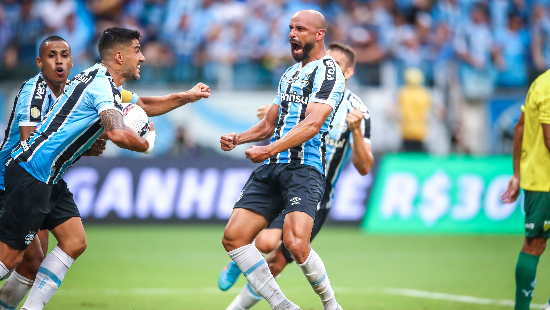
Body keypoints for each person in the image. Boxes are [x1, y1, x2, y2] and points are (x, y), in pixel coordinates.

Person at [0, 32, 211, 309]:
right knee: (11, 258)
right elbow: (118, 134)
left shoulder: (103, 82)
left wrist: (188, 96)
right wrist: (147, 144)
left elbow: (142, 105)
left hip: (50, 176)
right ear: (120, 57)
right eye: (137, 50)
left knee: (74, 241)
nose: (143, 57)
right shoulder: (100, 86)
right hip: (32, 173)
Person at [219, 42, 374, 310]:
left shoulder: (358, 111)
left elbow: (364, 167)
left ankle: (245, 304)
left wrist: (357, 131)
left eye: (335, 66)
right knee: (266, 241)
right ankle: (239, 266)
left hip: (317, 191)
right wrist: (270, 123)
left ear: (347, 73)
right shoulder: (303, 88)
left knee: (281, 258)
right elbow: (277, 122)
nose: (327, 69)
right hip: (287, 174)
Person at [501, 71, 550, 310]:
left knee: (535, 243)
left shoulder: (540, 83)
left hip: (538, 180)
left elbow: (520, 127)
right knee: (535, 244)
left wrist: (517, 174)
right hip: (546, 182)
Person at [398, 67, 431, 152]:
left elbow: (393, 111)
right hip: (421, 131)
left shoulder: (403, 93)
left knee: (407, 155)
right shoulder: (425, 94)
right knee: (419, 156)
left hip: (406, 130)